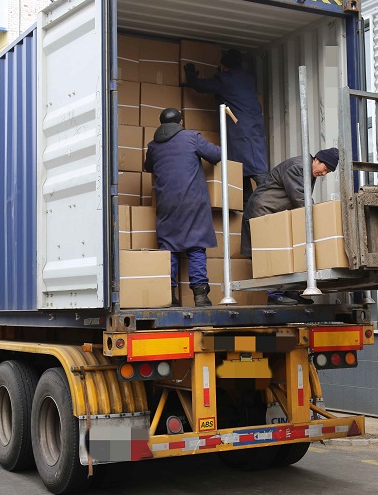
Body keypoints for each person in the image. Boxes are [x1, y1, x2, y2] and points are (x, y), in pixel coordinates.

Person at [240, 148, 339, 305]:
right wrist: (322, 218)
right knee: (272, 254)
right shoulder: (297, 167)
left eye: (328, 172)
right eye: (325, 168)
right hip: (263, 212)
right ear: (317, 160)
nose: (324, 173)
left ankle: (289, 291)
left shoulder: (308, 170)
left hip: (274, 213)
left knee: (288, 251)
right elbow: (300, 199)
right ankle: (274, 294)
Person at [144, 108, 222, 307]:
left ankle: (169, 296)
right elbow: (215, 155)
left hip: (166, 204)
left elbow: (148, 167)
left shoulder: (153, 146)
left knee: (169, 247)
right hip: (192, 201)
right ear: (180, 122)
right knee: (196, 245)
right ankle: (200, 295)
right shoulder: (191, 137)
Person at [184, 49, 268, 206]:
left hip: (240, 131)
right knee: (249, 169)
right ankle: (255, 206)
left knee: (250, 171)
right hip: (255, 129)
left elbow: (202, 86)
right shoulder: (248, 78)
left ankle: (268, 205)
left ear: (223, 65)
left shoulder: (226, 80)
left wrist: (191, 78)